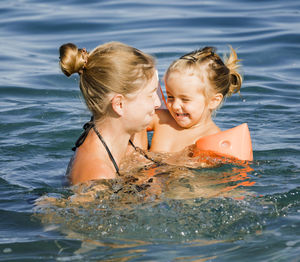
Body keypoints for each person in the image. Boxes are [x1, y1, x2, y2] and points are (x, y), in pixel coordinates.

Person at [59, 42, 161, 185]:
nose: (158, 103)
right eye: (151, 95)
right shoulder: (98, 176)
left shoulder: (133, 130)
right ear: (119, 104)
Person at [148, 46, 242, 153]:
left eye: (185, 99)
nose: (175, 106)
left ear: (213, 101)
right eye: (170, 97)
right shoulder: (162, 119)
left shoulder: (211, 139)